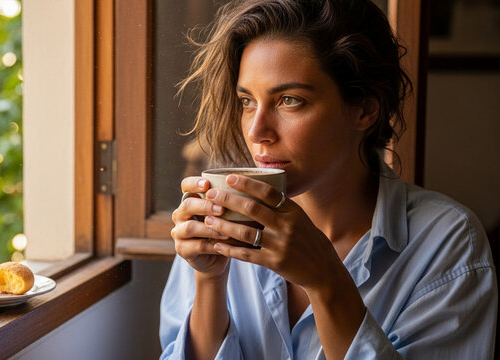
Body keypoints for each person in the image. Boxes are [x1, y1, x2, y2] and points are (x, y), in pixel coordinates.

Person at [160, 0, 498, 359]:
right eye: (247, 101)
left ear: (365, 109)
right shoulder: (220, 224)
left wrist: (324, 281)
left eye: (289, 100)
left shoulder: (446, 243)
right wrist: (210, 280)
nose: (257, 131)